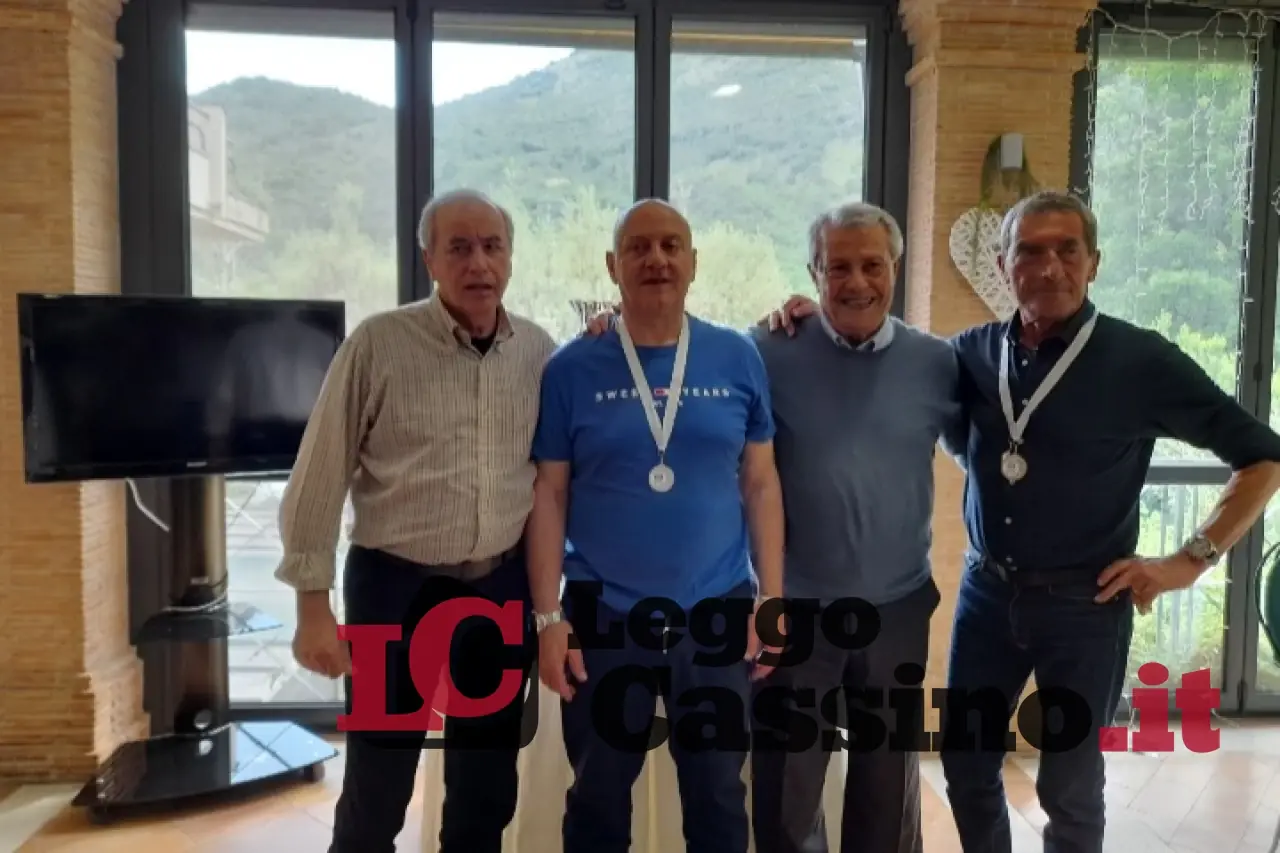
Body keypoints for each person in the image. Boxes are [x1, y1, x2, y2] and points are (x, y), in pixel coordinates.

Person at [764, 189, 1280, 853]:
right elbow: (919, 402)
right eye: (1030, 251)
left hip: (1087, 605)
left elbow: (1263, 456)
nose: (1048, 266)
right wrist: (808, 316)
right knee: (966, 763)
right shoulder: (971, 354)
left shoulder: (1141, 361)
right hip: (988, 596)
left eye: (1067, 250)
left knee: (1069, 783)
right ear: (1004, 266)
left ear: (1094, 262)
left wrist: (1190, 560)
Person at [276, 188, 556, 853]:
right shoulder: (379, 344)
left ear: (510, 257)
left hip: (498, 588)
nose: (478, 263)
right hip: (394, 587)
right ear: (429, 258)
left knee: (487, 783)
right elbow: (319, 474)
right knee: (379, 779)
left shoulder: (538, 352)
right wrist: (313, 605)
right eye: (459, 247)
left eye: (492, 246)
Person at [526, 197, 786, 853]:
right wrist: (548, 616)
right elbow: (549, 493)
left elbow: (761, 482)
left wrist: (772, 597)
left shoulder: (736, 357)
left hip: (718, 610)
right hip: (604, 615)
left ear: (694, 261)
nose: (657, 259)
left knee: (718, 798)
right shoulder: (571, 368)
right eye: (638, 247)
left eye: (671, 245)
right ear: (612, 265)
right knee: (597, 798)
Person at [746, 202, 960, 853]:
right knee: (787, 794)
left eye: (873, 264)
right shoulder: (767, 350)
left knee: (885, 791)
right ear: (814, 272)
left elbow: (990, 452)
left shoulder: (937, 362)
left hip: (896, 608)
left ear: (895, 266)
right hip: (798, 611)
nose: (857, 281)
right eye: (838, 267)